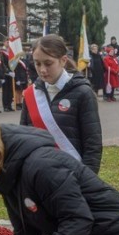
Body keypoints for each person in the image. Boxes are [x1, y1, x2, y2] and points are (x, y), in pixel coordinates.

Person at [20, 34, 102, 174]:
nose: (42, 70)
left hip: (72, 175)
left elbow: (92, 144)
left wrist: (87, 181)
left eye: (48, 63)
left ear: (63, 60)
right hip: (39, 173)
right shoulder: (30, 94)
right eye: (37, 63)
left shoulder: (83, 93)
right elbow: (23, 138)